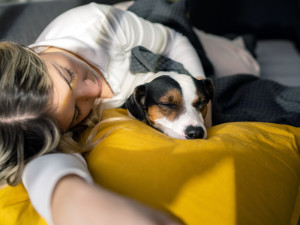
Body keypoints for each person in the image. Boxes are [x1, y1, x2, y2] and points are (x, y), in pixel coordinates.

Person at [0, 2, 260, 225]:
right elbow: (46, 160)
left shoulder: (93, 24)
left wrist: (202, 109)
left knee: (244, 65)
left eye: (67, 75)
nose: (93, 89)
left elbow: (174, 41)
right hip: (152, 78)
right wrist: (69, 196)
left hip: (148, 32)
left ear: (30, 51)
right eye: (78, 110)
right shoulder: (41, 115)